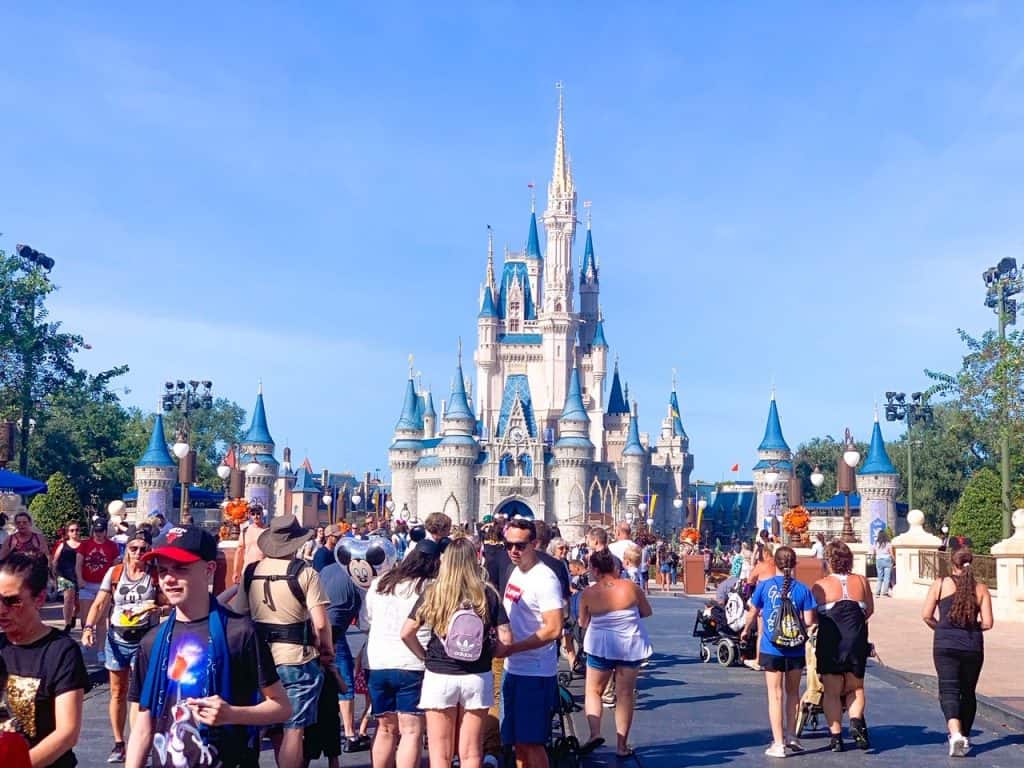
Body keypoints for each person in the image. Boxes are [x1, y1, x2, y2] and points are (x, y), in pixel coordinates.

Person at [126, 524, 291, 768]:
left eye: (181, 568)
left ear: (209, 569)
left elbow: (282, 707)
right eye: (163, 570)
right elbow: (143, 725)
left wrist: (232, 714)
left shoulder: (240, 632)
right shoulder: (152, 641)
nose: (169, 579)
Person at [231, 515, 333, 768]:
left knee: (271, 725)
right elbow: (320, 623)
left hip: (259, 657)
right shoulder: (305, 573)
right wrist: (326, 650)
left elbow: (239, 614)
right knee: (293, 728)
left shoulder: (251, 571)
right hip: (295, 657)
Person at [402, 537, 511, 768]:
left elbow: (406, 632)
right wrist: (490, 653)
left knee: (440, 755)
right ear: (475, 560)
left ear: (446, 561)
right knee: (471, 753)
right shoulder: (487, 594)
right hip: (477, 676)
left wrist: (424, 656)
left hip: (440, 674)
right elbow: (507, 639)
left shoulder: (434, 593)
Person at [82, 529, 163, 763]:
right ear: (126, 549)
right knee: (117, 692)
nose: (138, 553)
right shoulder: (115, 572)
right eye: (133, 548)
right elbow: (100, 603)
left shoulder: (155, 574)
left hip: (144, 639)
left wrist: (159, 608)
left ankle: (139, 742)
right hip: (117, 638)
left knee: (138, 694)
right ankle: (119, 743)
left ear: (150, 550)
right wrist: (88, 628)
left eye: (143, 549)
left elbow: (169, 601)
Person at [0, 553, 88, 768]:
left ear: (39, 599)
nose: (1, 610)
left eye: (12, 601)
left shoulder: (61, 651)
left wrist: (18, 765)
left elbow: (67, 734)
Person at [360, 543, 441, 768]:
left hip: (377, 661)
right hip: (412, 662)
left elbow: (367, 621)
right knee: (411, 731)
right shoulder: (431, 587)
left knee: (385, 728)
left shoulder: (380, 583)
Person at [741, 546, 817, 758]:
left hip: (771, 647)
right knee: (793, 693)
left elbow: (753, 612)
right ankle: (792, 735)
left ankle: (778, 743)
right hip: (795, 649)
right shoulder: (803, 589)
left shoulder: (764, 586)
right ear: (795, 564)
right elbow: (809, 621)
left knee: (775, 695)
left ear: (774, 563)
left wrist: (746, 630)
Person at [500, 519, 564, 768]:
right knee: (517, 741)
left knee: (533, 742)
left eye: (520, 545)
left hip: (534, 672)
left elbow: (554, 628)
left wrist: (512, 648)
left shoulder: (545, 579)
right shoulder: (516, 570)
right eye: (509, 545)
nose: (513, 551)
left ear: (535, 544)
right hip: (512, 668)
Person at [578, 548, 653, 759]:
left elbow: (583, 623)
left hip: (600, 645)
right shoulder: (630, 587)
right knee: (625, 695)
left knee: (594, 691)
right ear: (614, 566)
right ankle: (621, 745)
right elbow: (646, 611)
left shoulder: (588, 593)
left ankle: (595, 733)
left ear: (594, 570)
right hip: (629, 645)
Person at [922, 547, 994, 758]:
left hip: (945, 644)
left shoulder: (941, 583)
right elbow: (988, 623)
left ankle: (955, 734)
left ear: (951, 563)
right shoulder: (981, 588)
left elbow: (926, 615)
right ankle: (966, 735)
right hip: (972, 645)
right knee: (968, 692)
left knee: (949, 689)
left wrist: (943, 627)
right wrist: (969, 628)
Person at [812, 540, 874, 752]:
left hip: (831, 641)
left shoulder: (821, 585)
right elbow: (869, 611)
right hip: (855, 640)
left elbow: (812, 618)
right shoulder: (862, 581)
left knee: (832, 691)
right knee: (855, 687)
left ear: (829, 561)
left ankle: (836, 736)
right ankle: (856, 721)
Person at [318, 539, 367, 753]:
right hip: (334, 632)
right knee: (344, 681)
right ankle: (349, 733)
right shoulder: (356, 577)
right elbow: (366, 618)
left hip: (315, 629)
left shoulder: (326, 570)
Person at [76, 519, 121, 663]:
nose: (99, 534)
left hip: (104, 586)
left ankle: (101, 650)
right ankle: (86, 637)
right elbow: (79, 564)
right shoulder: (85, 544)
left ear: (105, 531)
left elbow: (115, 566)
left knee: (101, 620)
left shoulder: (112, 546)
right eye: (96, 531)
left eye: (101, 531)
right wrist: (80, 579)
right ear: (93, 530)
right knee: (85, 619)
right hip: (87, 585)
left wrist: (113, 585)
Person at [52, 521, 83, 633]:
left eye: (77, 530)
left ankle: (74, 616)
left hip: (79, 576)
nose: (75, 532)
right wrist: (54, 576)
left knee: (78, 603)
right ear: (68, 532)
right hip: (64, 575)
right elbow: (55, 561)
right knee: (68, 600)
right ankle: (67, 624)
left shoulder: (84, 545)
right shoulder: (62, 545)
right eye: (72, 530)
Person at [230, 504, 266, 585]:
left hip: (263, 571)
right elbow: (239, 552)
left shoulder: (267, 531)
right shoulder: (245, 531)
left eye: (258, 513)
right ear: (250, 516)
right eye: (253, 514)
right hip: (247, 571)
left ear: (262, 514)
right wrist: (236, 571)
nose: (256, 516)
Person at [872, 531, 894, 597]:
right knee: (887, 578)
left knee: (879, 577)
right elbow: (891, 553)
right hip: (887, 560)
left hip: (879, 560)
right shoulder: (888, 543)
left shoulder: (876, 543)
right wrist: (894, 560)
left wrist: (874, 558)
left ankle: (877, 593)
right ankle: (885, 593)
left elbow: (874, 552)